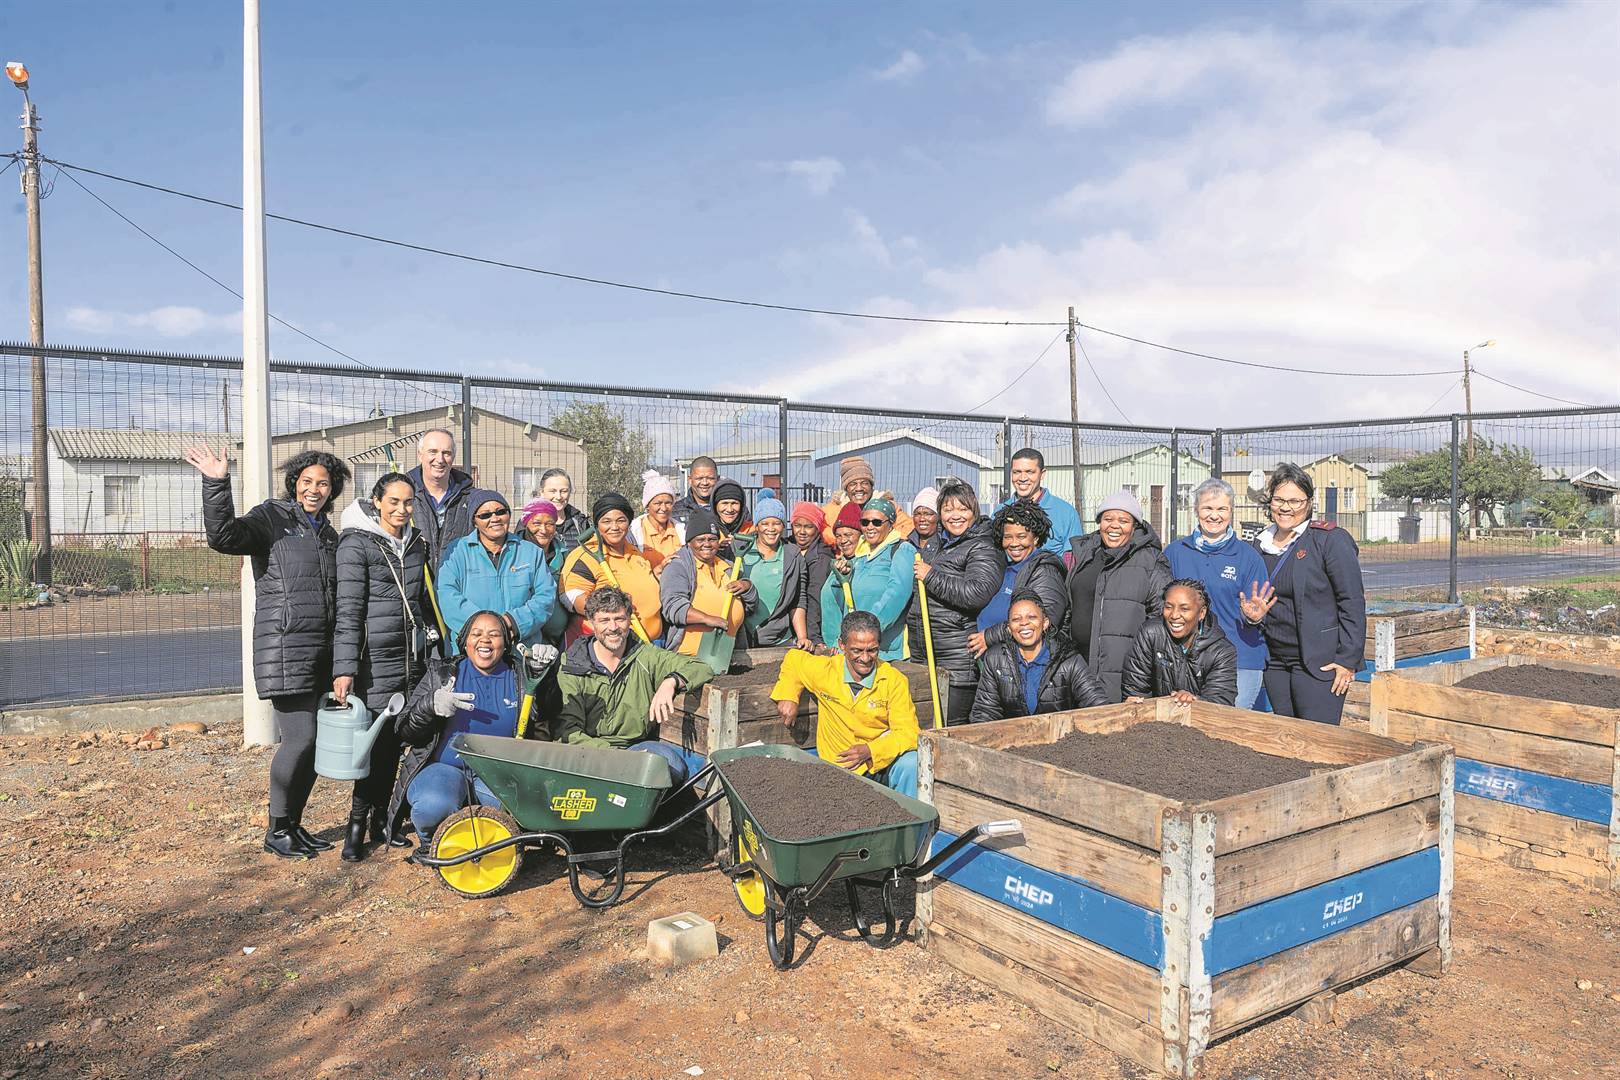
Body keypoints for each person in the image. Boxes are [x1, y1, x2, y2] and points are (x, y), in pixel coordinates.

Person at [188, 444, 350, 860]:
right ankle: (276, 829)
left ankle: (293, 825)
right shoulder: (272, 518)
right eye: (307, 481)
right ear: (294, 482)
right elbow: (224, 536)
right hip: (285, 646)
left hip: (321, 651)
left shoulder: (329, 535)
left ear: (332, 491)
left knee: (315, 744)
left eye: (323, 483)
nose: (314, 489)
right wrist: (216, 482)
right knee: (301, 739)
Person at [385, 611, 556, 856]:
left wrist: (546, 675)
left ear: (505, 643)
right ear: (464, 641)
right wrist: (429, 706)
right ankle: (432, 842)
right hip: (446, 767)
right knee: (433, 806)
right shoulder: (442, 673)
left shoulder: (519, 675)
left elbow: (548, 711)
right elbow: (404, 731)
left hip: (498, 771)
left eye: (494, 634)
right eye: (476, 634)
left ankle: (495, 838)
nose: (484, 640)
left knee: (524, 814)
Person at [332, 473, 430, 861]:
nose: (401, 510)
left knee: (394, 747)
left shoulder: (416, 543)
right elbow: (349, 611)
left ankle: (382, 822)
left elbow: (423, 600)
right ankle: (355, 827)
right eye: (393, 502)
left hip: (412, 662)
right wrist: (344, 668)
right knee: (372, 748)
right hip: (375, 663)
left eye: (408, 502)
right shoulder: (357, 544)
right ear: (376, 501)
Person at [1240, 463, 1367, 725]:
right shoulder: (1258, 545)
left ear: (1309, 502)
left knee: (1318, 740)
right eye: (1279, 500)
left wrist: (1348, 659)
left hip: (1318, 663)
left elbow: (1351, 601)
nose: (1286, 507)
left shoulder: (1329, 541)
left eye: (1296, 501)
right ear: (1270, 501)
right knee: (1288, 737)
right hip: (1274, 661)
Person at [556, 587, 716, 786]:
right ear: (592, 623)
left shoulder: (645, 656)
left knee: (672, 765)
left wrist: (671, 681)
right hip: (587, 753)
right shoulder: (574, 663)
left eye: (620, 619)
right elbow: (568, 731)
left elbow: (701, 667)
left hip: (635, 748)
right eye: (605, 620)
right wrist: (615, 757)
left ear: (629, 619)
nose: (613, 627)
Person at [771, 611, 920, 797]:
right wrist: (788, 694)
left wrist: (871, 751)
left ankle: (910, 820)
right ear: (842, 645)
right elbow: (794, 659)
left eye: (872, 650)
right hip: (836, 770)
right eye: (857, 650)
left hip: (878, 766)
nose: (865, 658)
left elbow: (909, 733)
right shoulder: (826, 670)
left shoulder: (894, 680)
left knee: (911, 762)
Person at [1165, 478, 1269, 709]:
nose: (1214, 516)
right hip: (1187, 658)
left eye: (1222, 509)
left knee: (1229, 729)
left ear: (1232, 511)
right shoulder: (1175, 552)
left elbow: (1260, 610)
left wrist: (1254, 617)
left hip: (1239, 658)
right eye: (1208, 508)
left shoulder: (1248, 557)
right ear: (1195, 510)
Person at [1064, 490, 1173, 702]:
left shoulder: (1150, 562)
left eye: (1123, 520)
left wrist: (1142, 675)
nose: (1114, 526)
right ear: (1099, 523)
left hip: (1125, 674)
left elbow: (1161, 620)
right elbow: (1070, 607)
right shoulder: (1085, 556)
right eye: (1108, 519)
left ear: (1135, 526)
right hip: (1079, 668)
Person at [909, 480, 1004, 722]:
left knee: (951, 726)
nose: (955, 516)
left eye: (963, 509)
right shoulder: (938, 544)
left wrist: (931, 576)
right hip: (926, 652)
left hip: (957, 659)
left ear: (974, 511)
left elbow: (977, 593)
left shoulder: (982, 546)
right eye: (948, 510)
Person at [435, 489, 556, 646]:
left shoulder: (531, 552)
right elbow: (446, 594)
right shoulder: (457, 551)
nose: (495, 518)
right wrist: (485, 628)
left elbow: (545, 596)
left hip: (519, 646)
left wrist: (511, 622)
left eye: (500, 512)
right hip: (471, 647)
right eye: (485, 515)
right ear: (474, 522)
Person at [970, 589, 1109, 722]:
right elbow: (985, 712)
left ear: (1045, 623)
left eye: (1032, 617)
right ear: (1009, 628)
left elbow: (1097, 705)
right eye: (1016, 619)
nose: (1024, 623)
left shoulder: (1069, 661)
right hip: (1010, 741)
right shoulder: (995, 660)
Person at [559, 492, 665, 645]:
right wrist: (611, 607)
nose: (614, 527)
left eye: (621, 520)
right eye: (606, 521)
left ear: (628, 523)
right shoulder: (585, 556)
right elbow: (570, 597)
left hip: (650, 642)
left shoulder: (636, 553)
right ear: (597, 525)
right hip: (609, 644)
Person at [820, 497, 916, 661]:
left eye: (877, 522)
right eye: (865, 522)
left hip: (887, 652)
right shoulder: (860, 555)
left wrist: (865, 632)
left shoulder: (901, 550)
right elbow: (838, 600)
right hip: (856, 650)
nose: (870, 527)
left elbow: (896, 594)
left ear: (890, 522)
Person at [969, 500, 1067, 660]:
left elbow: (1044, 621)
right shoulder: (1005, 567)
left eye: (1021, 536)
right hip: (996, 663)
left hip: (1026, 664)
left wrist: (989, 637)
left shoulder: (1045, 571)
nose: (1014, 543)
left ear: (1035, 538)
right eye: (1008, 537)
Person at [1122, 579, 1239, 706]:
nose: (1174, 615)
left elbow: (1221, 702)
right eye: (1168, 607)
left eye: (1184, 609)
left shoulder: (1222, 652)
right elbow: (1135, 691)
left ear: (1202, 613)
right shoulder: (1150, 633)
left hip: (1201, 722)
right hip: (1155, 720)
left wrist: (1195, 701)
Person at [659, 508, 757, 655]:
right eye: (700, 540)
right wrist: (708, 619)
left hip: (728, 655)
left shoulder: (729, 566)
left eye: (712, 539)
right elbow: (673, 608)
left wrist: (747, 587)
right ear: (690, 542)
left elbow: (751, 606)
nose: (707, 544)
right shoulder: (678, 566)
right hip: (688, 656)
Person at [740, 496, 810, 648]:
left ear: (783, 526)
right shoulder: (741, 551)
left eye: (777, 523)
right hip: (742, 638)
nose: (771, 529)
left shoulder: (793, 556)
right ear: (756, 526)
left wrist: (802, 637)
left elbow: (798, 599)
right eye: (764, 523)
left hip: (779, 640)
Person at [406, 428, 475, 569]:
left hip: (457, 585)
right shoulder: (403, 494)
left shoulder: (470, 497)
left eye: (446, 453)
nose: (440, 459)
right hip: (413, 585)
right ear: (420, 455)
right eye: (433, 452)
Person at [998, 448, 1083, 557]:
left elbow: (1073, 561)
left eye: (1030, 472)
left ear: (1042, 474)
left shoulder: (1066, 513)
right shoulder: (999, 513)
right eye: (1017, 472)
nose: (1023, 478)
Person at [819, 455, 913, 546]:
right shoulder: (832, 510)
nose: (859, 488)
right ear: (846, 488)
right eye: (853, 484)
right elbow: (823, 530)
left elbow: (908, 528)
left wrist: (879, 543)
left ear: (871, 486)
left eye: (864, 483)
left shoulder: (887, 507)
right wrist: (841, 540)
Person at [517, 497, 570, 645]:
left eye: (550, 524)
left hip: (558, 638)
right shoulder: (512, 553)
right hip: (522, 634)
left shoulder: (566, 556)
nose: (543, 530)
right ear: (526, 523)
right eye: (537, 523)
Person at [791, 500, 835, 646]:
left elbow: (814, 598)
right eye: (797, 525)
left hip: (809, 630)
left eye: (808, 527)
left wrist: (813, 637)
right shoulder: (787, 547)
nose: (802, 532)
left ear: (817, 529)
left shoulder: (821, 558)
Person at [630, 469, 685, 573]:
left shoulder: (681, 531)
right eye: (658, 503)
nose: (663, 508)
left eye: (668, 503)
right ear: (647, 505)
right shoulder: (634, 532)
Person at [534, 468, 589, 554]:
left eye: (564, 491)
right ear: (542, 492)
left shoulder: (580, 523)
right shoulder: (530, 524)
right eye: (552, 491)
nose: (559, 497)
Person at [711, 478, 753, 558]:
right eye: (724, 503)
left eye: (734, 503)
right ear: (715, 505)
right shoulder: (707, 529)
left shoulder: (751, 530)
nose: (729, 509)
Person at [673, 455, 719, 527]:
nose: (705, 483)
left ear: (718, 479)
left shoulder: (727, 509)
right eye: (699, 478)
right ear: (690, 480)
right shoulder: (675, 511)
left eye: (710, 478)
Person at [907, 487, 943, 556]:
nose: (922, 519)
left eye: (927, 514)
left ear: (938, 516)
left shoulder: (945, 547)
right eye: (917, 514)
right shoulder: (906, 546)